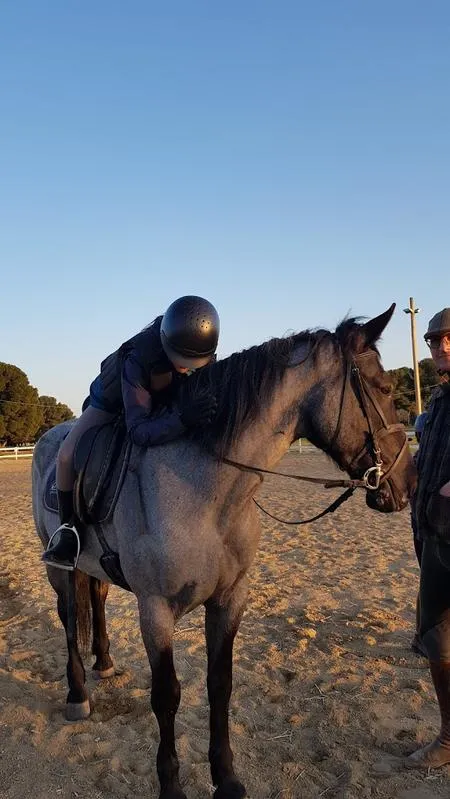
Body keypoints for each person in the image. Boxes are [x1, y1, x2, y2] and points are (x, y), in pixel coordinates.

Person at [42, 295, 219, 572]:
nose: (186, 367)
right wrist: (182, 419)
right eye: (181, 359)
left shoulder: (200, 350)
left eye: (193, 362)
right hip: (111, 401)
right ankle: (67, 532)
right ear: (166, 342)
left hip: (159, 394)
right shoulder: (138, 358)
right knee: (65, 456)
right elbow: (138, 429)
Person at [407, 308, 450, 768]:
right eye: (435, 340)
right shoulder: (438, 400)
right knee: (435, 633)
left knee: (438, 636)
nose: (441, 346)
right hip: (433, 530)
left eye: (449, 338)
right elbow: (428, 455)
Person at [410, 411, 428, 657]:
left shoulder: (416, 459)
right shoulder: (423, 460)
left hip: (420, 525)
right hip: (426, 527)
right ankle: (422, 636)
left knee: (427, 579)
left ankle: (420, 635)